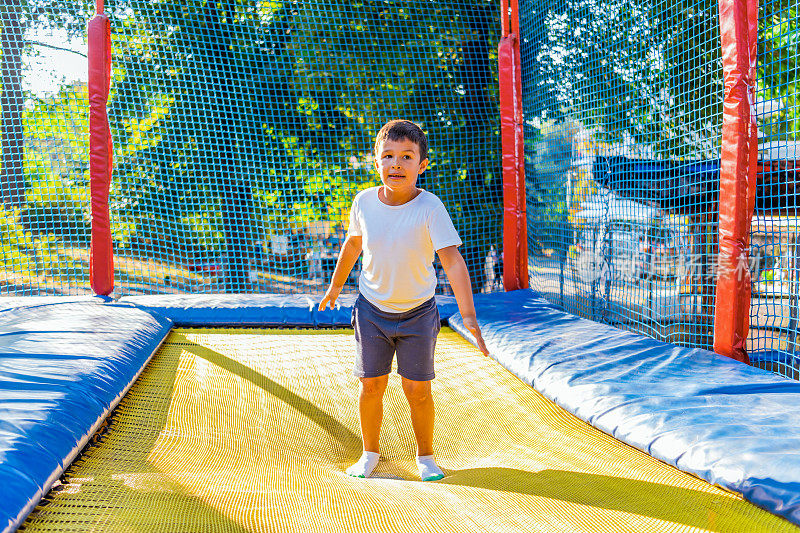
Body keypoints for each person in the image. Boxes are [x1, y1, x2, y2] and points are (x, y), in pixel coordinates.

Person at [318, 119, 490, 481]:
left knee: (418, 388)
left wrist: (468, 312)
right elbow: (353, 244)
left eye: (407, 157)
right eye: (389, 156)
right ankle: (369, 453)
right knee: (371, 384)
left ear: (421, 165)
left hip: (417, 313)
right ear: (376, 162)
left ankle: (425, 457)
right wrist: (335, 287)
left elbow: (452, 260)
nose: (396, 164)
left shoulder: (430, 207)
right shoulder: (364, 201)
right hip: (372, 310)